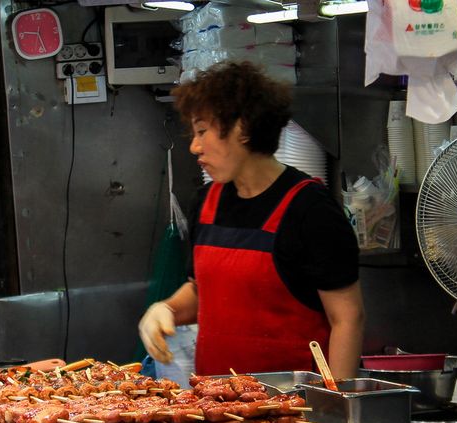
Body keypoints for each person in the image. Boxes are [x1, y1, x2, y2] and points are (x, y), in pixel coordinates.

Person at [138, 61, 365, 378]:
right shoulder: (206, 203)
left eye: (202, 131)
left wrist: (338, 406)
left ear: (242, 128)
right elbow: (205, 290)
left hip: (295, 409)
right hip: (216, 406)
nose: (194, 146)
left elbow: (347, 317)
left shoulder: (311, 209)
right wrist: (167, 309)